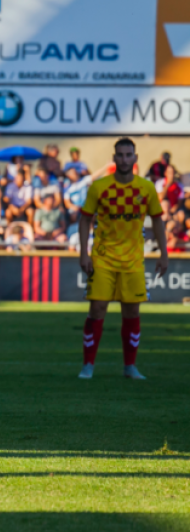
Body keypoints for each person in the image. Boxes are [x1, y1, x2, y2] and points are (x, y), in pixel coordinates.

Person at [77, 138, 169, 381]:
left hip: (133, 260)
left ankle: (130, 367)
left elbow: (158, 220)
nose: (125, 159)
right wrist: (83, 253)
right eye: (120, 155)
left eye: (129, 155)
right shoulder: (99, 187)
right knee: (97, 309)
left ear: (135, 158)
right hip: (103, 258)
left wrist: (163, 253)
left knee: (132, 312)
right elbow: (85, 219)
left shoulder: (146, 188)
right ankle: (88, 366)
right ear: (114, 158)